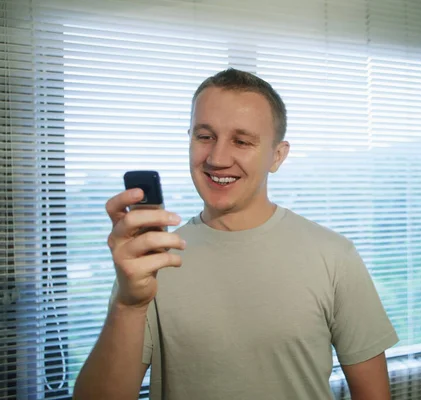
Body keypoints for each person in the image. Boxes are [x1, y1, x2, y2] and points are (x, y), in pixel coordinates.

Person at [73, 68, 398, 400]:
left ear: (277, 155)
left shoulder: (334, 256)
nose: (217, 158)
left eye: (241, 141)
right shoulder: (151, 261)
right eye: (204, 136)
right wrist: (128, 305)